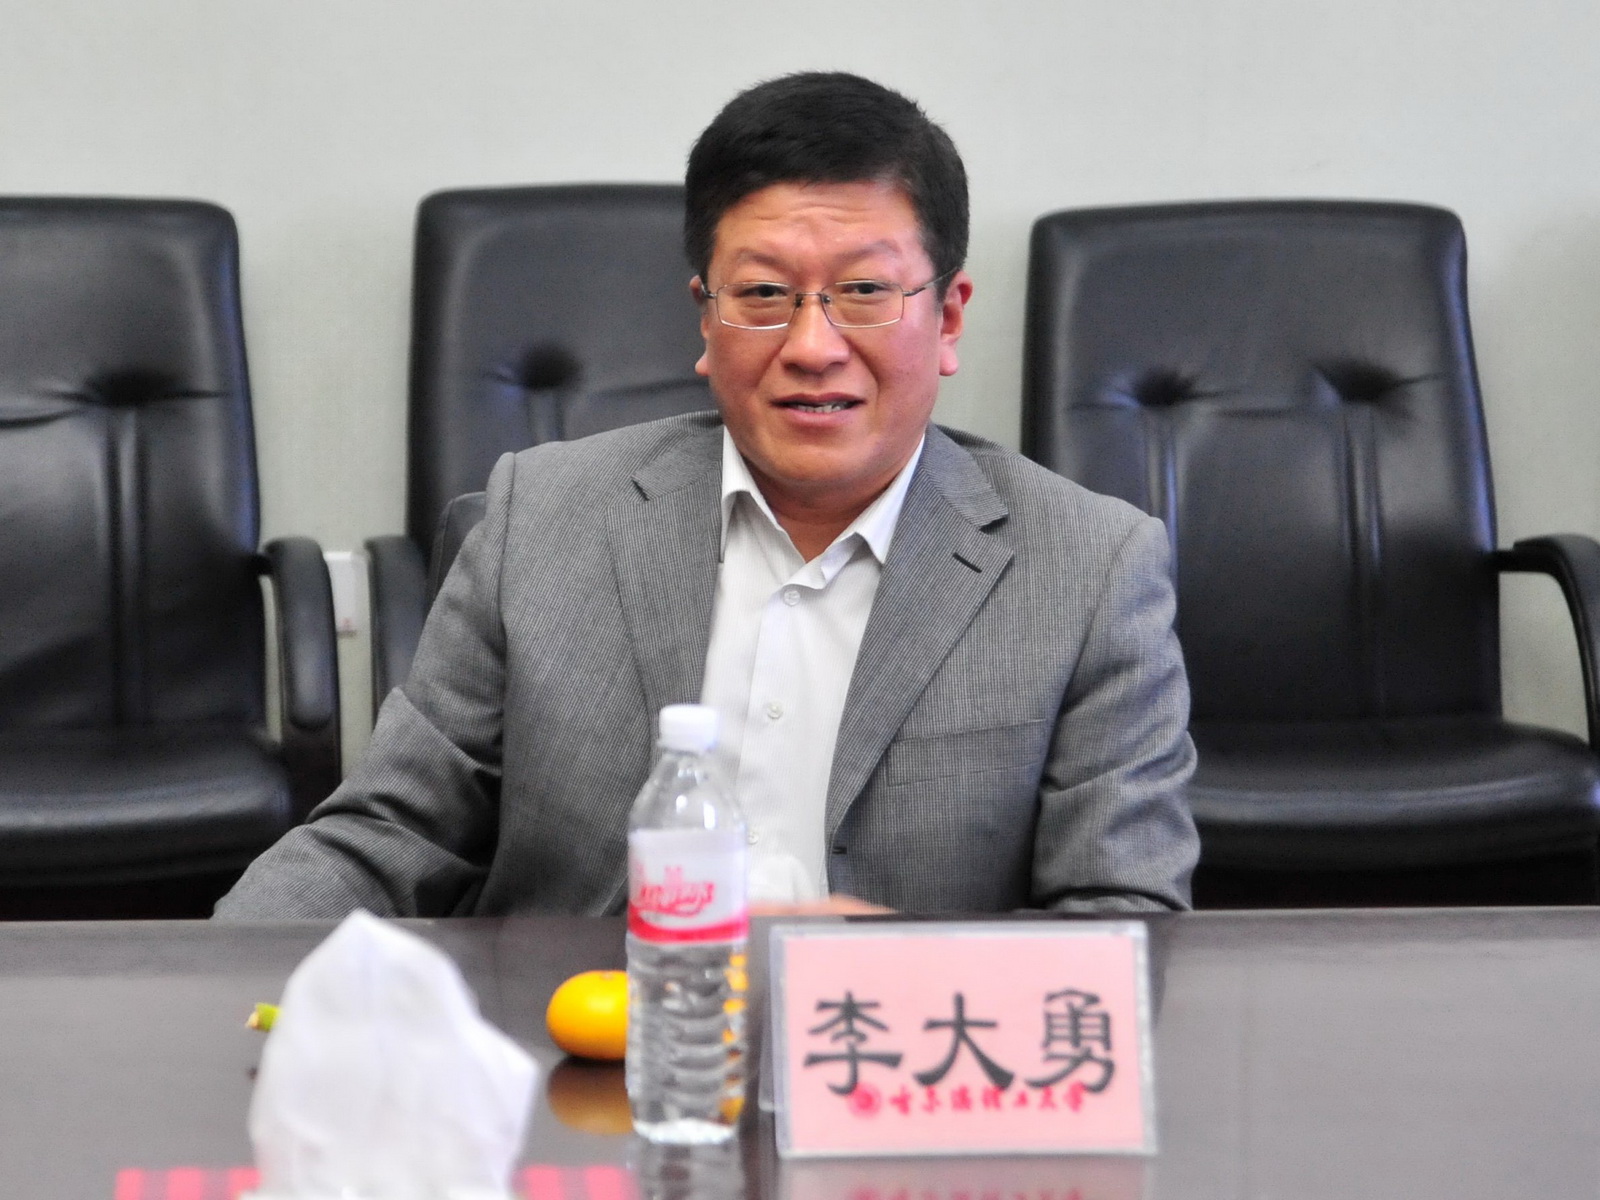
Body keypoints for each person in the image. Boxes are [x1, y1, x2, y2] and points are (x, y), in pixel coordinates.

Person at [216, 72, 1197, 920]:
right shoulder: (542, 517)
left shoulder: (1089, 569)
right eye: (764, 294)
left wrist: (893, 971)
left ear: (946, 318)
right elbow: (388, 833)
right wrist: (206, 979)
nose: (811, 346)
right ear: (706, 316)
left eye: (864, 291)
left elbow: (1125, 922)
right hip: (581, 1043)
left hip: (892, 1063)